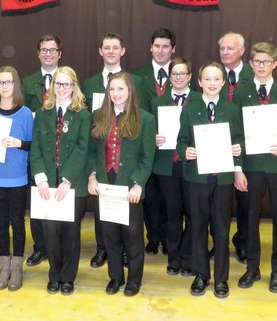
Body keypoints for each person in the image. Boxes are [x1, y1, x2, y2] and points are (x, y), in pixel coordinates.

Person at [234, 42, 277, 293]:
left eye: (266, 62)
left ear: (275, 64)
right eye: (257, 62)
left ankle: (276, 271)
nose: (261, 66)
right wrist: (237, 167)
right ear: (250, 64)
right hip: (251, 166)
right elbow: (236, 133)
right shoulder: (241, 93)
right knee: (250, 218)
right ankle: (252, 268)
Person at [176, 61, 244, 298]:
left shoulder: (232, 109)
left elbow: (240, 139)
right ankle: (201, 274)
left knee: (222, 229)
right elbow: (181, 140)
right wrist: (186, 151)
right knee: (197, 227)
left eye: (217, 79)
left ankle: (221, 279)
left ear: (223, 82)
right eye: (208, 79)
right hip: (197, 179)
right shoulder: (188, 109)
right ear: (200, 82)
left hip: (223, 179)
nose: (212, 83)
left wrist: (238, 148)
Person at [87, 72, 155, 297]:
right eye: (112, 89)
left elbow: (147, 157)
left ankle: (134, 280)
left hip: (130, 186)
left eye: (120, 89)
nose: (116, 94)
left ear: (130, 91)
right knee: (110, 235)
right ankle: (115, 277)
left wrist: (138, 185)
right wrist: (92, 176)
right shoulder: (98, 116)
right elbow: (93, 153)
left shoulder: (144, 118)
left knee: (133, 236)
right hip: (106, 184)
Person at [82, 33, 145, 269]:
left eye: (115, 47)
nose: (110, 51)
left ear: (123, 51)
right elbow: (90, 124)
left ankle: (127, 254)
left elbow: (142, 116)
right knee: (103, 213)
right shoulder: (88, 84)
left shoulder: (136, 81)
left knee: (128, 217)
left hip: (126, 159)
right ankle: (103, 249)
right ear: (100, 51)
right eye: (106, 47)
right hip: (102, 156)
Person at [30, 66, 91, 296]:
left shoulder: (83, 115)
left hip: (72, 185)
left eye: (67, 84)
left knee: (70, 233)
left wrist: (68, 180)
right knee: (50, 233)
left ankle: (68, 277)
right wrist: (41, 178)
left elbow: (82, 150)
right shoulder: (43, 113)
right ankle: (54, 274)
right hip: (46, 184)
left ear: (74, 87)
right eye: (58, 83)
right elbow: (35, 147)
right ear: (52, 86)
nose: (62, 88)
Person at [0, 66, 34, 291]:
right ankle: (4, 267)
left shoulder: (25, 113)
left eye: (9, 82)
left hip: (18, 179)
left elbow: (35, 146)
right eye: (1, 82)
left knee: (18, 224)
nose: (5, 86)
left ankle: (17, 268)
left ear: (16, 84)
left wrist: (19, 143)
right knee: (0, 225)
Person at [131, 28, 175, 259]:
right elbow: (132, 110)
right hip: (144, 148)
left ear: (173, 49)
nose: (160, 50)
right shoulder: (137, 76)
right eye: (157, 46)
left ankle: (169, 238)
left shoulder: (180, 74)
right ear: (150, 47)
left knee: (170, 197)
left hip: (171, 150)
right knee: (149, 197)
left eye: (165, 46)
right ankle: (153, 237)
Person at [149, 56, 194, 275]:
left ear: (190, 77)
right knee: (172, 215)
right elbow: (148, 132)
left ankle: (188, 257)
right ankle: (174, 259)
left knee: (194, 215)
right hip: (167, 167)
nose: (178, 77)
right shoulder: (158, 102)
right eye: (174, 74)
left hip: (193, 166)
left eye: (182, 73)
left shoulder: (199, 100)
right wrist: (153, 137)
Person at [22, 34, 62, 267]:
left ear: (60, 54)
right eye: (44, 50)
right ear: (38, 54)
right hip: (36, 151)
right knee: (38, 200)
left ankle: (60, 244)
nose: (48, 54)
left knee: (61, 199)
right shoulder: (27, 83)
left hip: (61, 152)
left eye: (52, 50)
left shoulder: (68, 79)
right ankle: (40, 247)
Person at [218, 32, 254, 263]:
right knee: (218, 201)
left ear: (242, 50)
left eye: (230, 48)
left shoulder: (256, 75)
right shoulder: (212, 75)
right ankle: (218, 244)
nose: (225, 52)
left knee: (246, 202)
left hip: (247, 148)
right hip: (216, 147)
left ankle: (243, 242)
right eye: (222, 48)